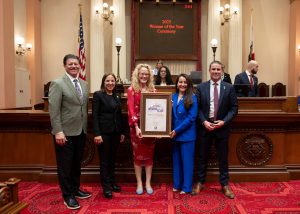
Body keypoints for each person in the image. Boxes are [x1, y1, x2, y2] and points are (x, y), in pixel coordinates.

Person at [49, 54, 91, 210]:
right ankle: (68, 195)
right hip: (64, 133)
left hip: (80, 131)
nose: (74, 66)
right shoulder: (58, 84)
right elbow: (54, 111)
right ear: (65, 66)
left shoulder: (84, 84)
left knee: (76, 164)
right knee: (65, 166)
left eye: (76, 64)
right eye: (70, 64)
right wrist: (58, 131)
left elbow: (83, 107)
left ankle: (75, 189)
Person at [193, 60, 238, 199]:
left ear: (222, 71)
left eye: (218, 69)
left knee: (223, 158)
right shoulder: (201, 87)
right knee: (202, 157)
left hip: (222, 128)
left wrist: (223, 122)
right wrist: (204, 121)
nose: (216, 72)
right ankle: (200, 182)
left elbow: (234, 108)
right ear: (209, 70)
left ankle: (224, 184)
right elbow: (197, 108)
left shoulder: (229, 87)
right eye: (213, 69)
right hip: (205, 127)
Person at [92, 73, 125, 199]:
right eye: (108, 81)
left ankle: (112, 183)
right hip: (103, 134)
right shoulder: (98, 95)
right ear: (103, 82)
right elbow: (95, 116)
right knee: (105, 161)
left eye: (112, 81)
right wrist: (97, 133)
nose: (110, 83)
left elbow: (119, 116)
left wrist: (121, 132)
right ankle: (106, 187)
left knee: (112, 160)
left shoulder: (117, 96)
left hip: (115, 133)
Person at [127, 64, 156, 195]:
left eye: (146, 74)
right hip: (136, 129)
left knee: (149, 157)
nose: (144, 76)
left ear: (149, 76)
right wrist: (137, 127)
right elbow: (131, 110)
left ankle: (148, 183)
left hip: (150, 129)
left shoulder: (153, 90)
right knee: (138, 157)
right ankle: (139, 183)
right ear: (137, 75)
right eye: (142, 74)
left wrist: (159, 128)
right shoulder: (132, 89)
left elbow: (157, 111)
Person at [170, 74, 198, 194]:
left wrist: (177, 130)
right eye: (180, 82)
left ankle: (186, 187)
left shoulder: (192, 97)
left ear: (188, 84)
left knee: (187, 162)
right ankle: (177, 185)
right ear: (176, 84)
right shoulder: (172, 97)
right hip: (173, 135)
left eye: (185, 82)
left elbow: (191, 118)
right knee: (176, 162)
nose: (182, 84)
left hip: (186, 135)